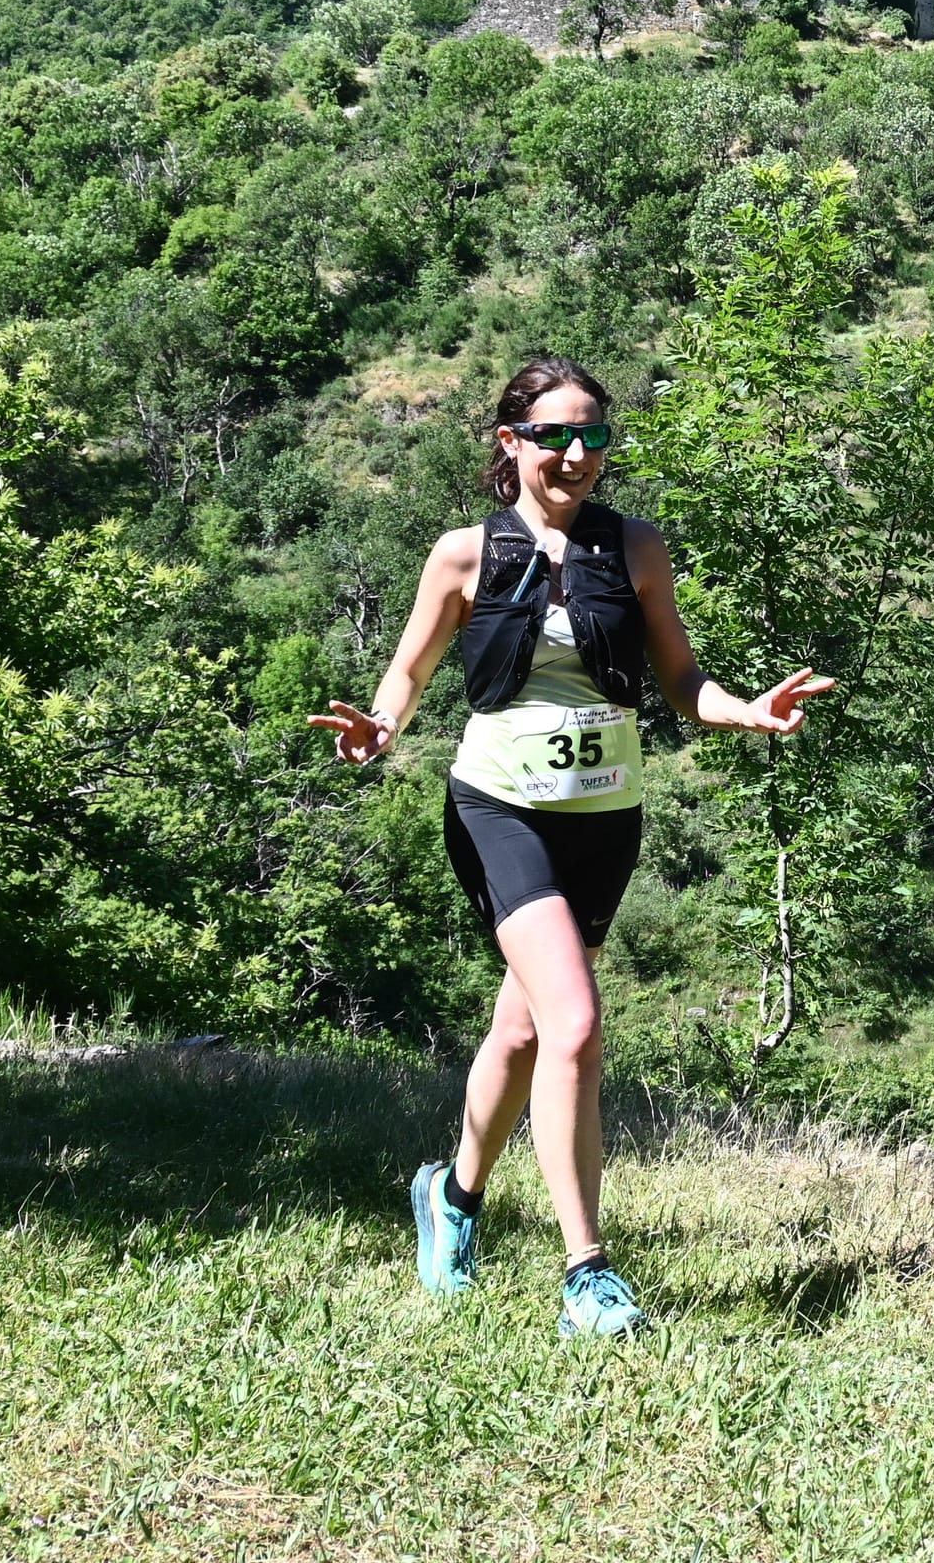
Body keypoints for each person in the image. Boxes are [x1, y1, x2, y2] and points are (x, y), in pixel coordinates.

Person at [311, 356, 830, 1340]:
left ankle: (451, 1196)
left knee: (522, 1029)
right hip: (499, 806)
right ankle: (585, 1273)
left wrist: (748, 712)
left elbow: (682, 681)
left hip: (605, 817)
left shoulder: (634, 546)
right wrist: (378, 727)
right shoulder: (464, 553)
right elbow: (408, 668)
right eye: (555, 434)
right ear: (511, 443)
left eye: (593, 433)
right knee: (577, 1023)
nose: (578, 452)